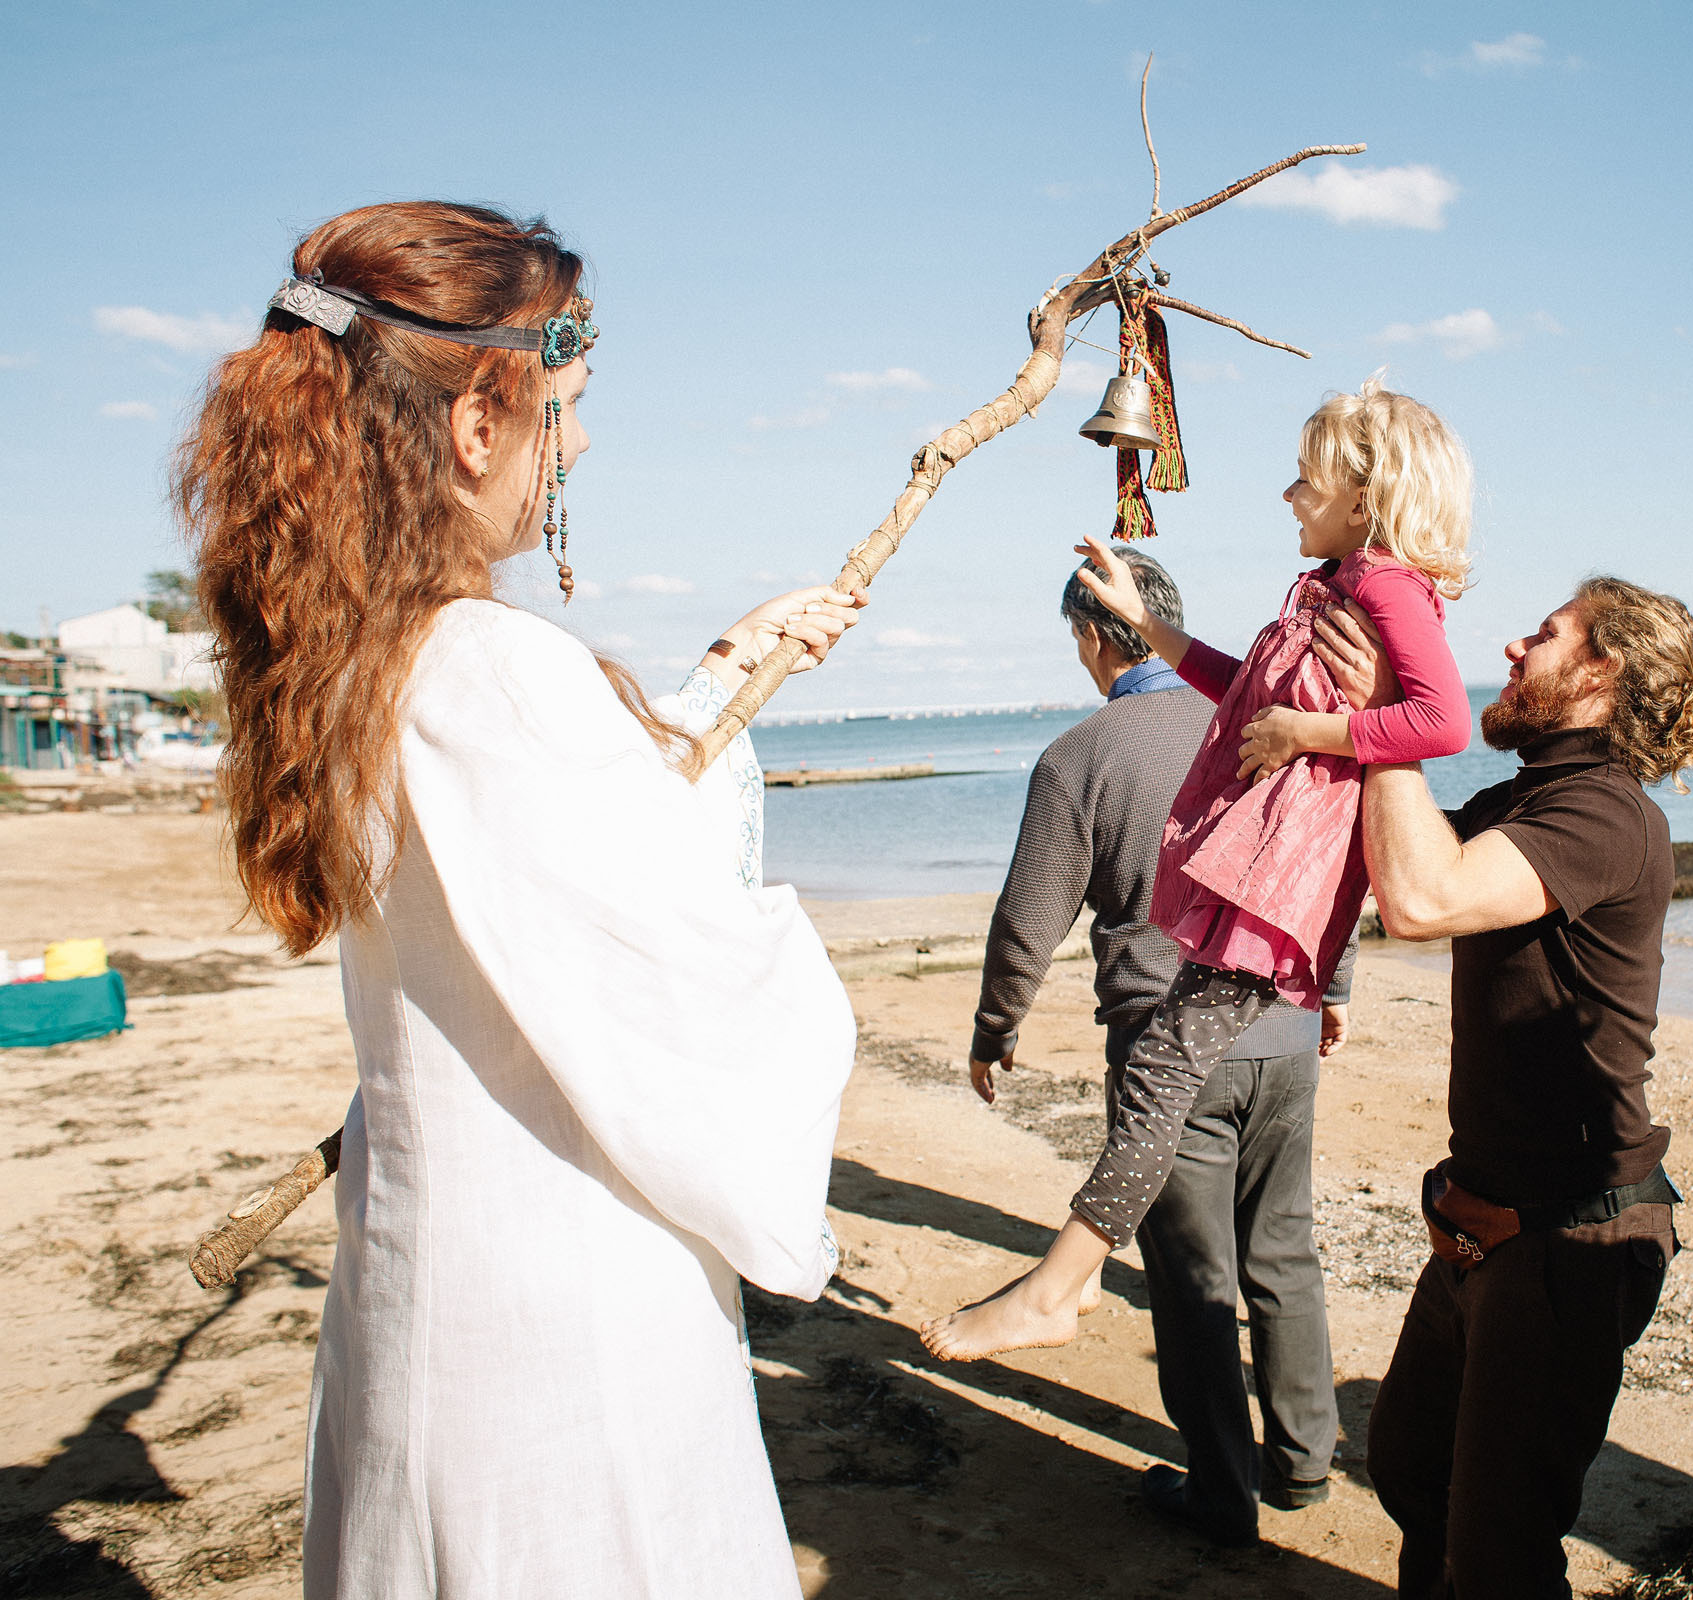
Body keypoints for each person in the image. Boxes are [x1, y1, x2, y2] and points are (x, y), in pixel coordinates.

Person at [175, 201, 862, 1597]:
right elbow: (692, 989)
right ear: (481, 419)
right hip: (565, 1329)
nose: (583, 442)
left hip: (420, 1283)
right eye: (571, 404)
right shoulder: (497, 670)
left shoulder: (361, 665)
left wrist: (725, 675)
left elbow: (540, 857)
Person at [922, 378, 1474, 1362]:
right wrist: (1150, 617)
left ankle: (1058, 1287)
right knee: (1172, 1081)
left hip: (1281, 877)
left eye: (1306, 480)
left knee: (1162, 1070)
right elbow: (1234, 688)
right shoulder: (1329, 587)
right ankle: (1070, 1286)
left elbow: (1443, 720)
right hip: (1258, 874)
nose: (1288, 497)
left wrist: (1313, 727)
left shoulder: (1384, 585)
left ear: (1367, 497)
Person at [1309, 574, 1693, 1599]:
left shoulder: (1606, 815)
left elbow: (1425, 900)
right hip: (1487, 1216)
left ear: (1604, 673)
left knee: (1503, 1549)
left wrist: (1389, 722)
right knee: (1413, 1469)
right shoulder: (1529, 797)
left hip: (1575, 1235)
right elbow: (1386, 858)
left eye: (1545, 635)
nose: (1512, 646)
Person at [965, 544, 1355, 1546]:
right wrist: (1335, 985)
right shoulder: (1263, 724)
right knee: (1283, 1245)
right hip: (1284, 1024)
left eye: (1080, 643)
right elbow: (1324, 849)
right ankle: (1305, 1461)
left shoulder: (1081, 754)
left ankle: (1222, 1495)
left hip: (1166, 1041)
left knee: (1192, 1276)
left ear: (1099, 636)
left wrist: (995, 1026)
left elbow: (1028, 919)